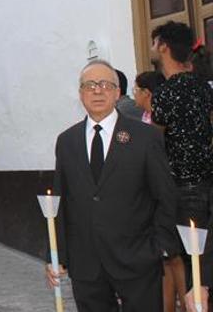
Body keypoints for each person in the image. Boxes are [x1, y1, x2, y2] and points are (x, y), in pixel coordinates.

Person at [45, 59, 179, 311]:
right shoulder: (67, 141)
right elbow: (60, 201)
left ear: (118, 92)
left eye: (106, 84)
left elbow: (165, 195)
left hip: (137, 261)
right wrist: (56, 254)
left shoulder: (145, 137)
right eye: (90, 85)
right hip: (86, 264)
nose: (97, 90)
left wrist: (159, 248)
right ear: (80, 93)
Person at [150, 21, 213, 311]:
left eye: (154, 43)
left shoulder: (164, 93)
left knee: (187, 268)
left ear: (163, 46)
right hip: (207, 186)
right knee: (205, 269)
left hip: (180, 191)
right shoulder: (203, 86)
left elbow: (155, 144)